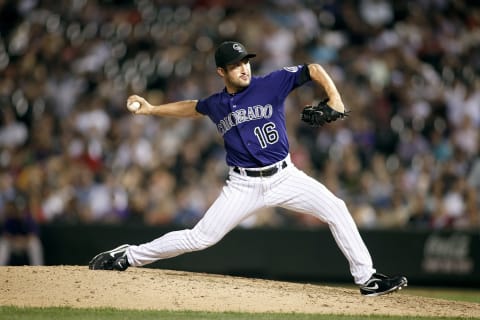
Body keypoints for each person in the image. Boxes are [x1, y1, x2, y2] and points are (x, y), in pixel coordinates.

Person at [89, 41, 407, 296]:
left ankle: (368, 279)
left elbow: (312, 69)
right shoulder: (216, 104)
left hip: (285, 176)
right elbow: (192, 107)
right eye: (235, 65)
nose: (243, 68)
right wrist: (153, 109)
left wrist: (334, 99)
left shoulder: (270, 83)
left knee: (336, 208)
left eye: (245, 62)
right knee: (200, 238)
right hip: (243, 186)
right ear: (221, 72)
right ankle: (128, 255)